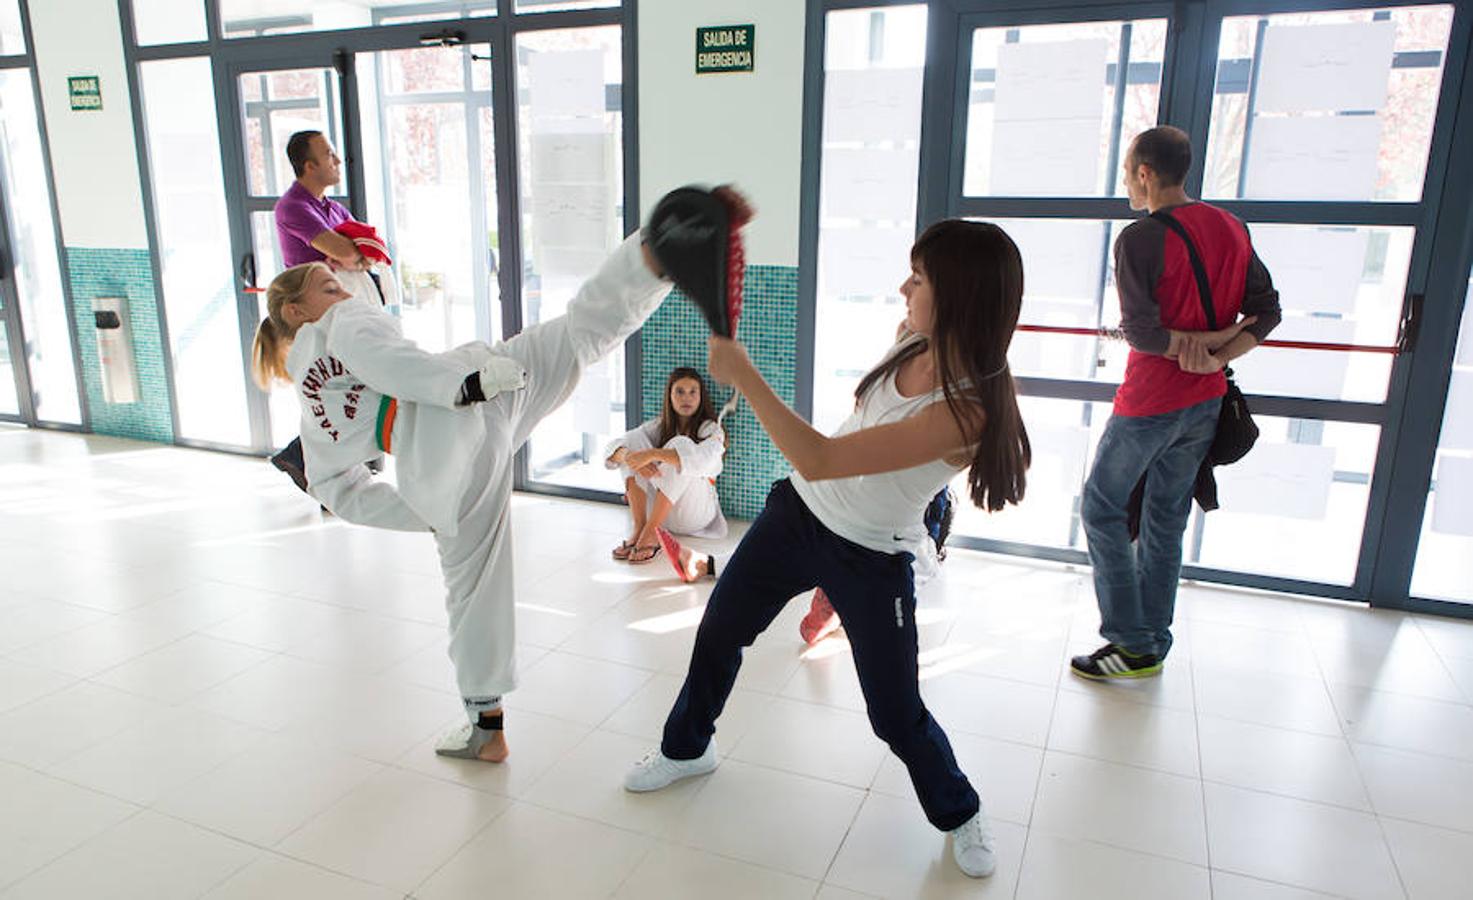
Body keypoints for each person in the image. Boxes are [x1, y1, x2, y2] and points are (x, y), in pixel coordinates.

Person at [248, 189, 731, 762]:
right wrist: (463, 388)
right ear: (295, 313)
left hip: (449, 454)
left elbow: (338, 492)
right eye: (326, 286)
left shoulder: (311, 418)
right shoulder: (341, 323)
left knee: (472, 590)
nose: (341, 288)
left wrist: (422, 513)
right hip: (478, 392)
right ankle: (655, 255)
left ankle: (486, 727)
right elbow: (394, 366)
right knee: (578, 334)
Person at [623, 219, 1032, 879]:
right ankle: (686, 747)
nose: (903, 287)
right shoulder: (912, 340)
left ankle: (960, 812)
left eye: (919, 278)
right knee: (719, 630)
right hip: (797, 518)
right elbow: (837, 451)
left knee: (895, 716)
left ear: (957, 295)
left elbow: (822, 456)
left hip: (871, 555)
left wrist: (744, 377)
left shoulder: (967, 410)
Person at [1071, 126, 1280, 681]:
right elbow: (1268, 310)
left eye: (1126, 172)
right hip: (1205, 401)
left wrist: (1193, 347)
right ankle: (1152, 641)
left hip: (1150, 402)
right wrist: (1218, 351)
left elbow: (1140, 333)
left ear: (1144, 172)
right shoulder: (1231, 227)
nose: (1125, 183)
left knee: (1099, 507)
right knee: (1165, 518)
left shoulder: (1138, 239)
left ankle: (1128, 639)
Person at [268, 130, 377, 493]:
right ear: (308, 165)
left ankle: (313, 464)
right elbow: (348, 253)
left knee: (346, 390)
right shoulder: (292, 207)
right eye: (329, 155)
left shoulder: (332, 207)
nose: (337, 161)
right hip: (311, 319)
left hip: (336, 315)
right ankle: (308, 464)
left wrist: (349, 252)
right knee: (327, 394)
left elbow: (367, 250)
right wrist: (345, 253)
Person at [606, 366, 728, 564]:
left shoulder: (712, 429)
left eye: (692, 392)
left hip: (694, 515)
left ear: (701, 397)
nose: (686, 398)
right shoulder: (658, 426)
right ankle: (640, 528)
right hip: (661, 514)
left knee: (680, 445)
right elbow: (611, 448)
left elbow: (705, 461)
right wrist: (630, 458)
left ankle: (651, 531)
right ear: (669, 396)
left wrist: (652, 454)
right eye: (679, 392)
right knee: (633, 439)